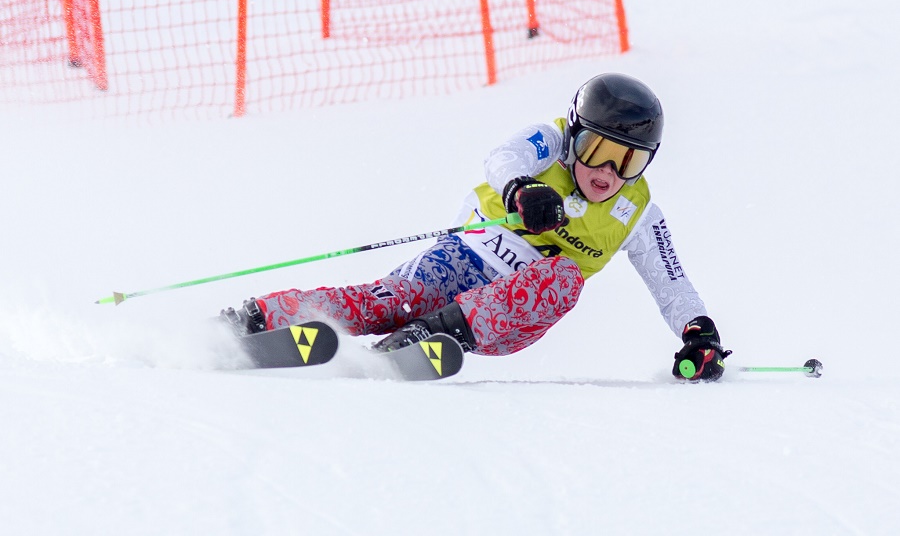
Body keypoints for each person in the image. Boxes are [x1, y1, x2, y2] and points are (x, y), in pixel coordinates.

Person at [222, 73, 731, 381]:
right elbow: (503, 156)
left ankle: (434, 335)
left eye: (630, 162)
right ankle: (257, 318)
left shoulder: (639, 212)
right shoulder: (549, 141)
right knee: (384, 301)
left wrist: (698, 330)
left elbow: (672, 283)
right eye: (598, 152)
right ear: (576, 135)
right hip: (465, 257)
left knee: (565, 277)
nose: (608, 174)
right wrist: (520, 190)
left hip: (509, 310)